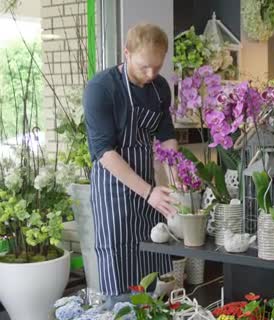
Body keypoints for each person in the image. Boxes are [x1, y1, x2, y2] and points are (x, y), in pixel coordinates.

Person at [84, 23, 179, 298]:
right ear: (126, 53)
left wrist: (176, 178)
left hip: (148, 188)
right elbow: (104, 152)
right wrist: (148, 192)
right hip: (113, 187)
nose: (151, 74)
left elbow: (166, 135)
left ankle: (153, 311)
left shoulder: (160, 88)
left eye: (157, 67)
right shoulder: (101, 88)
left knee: (152, 252)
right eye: (143, 66)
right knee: (118, 258)